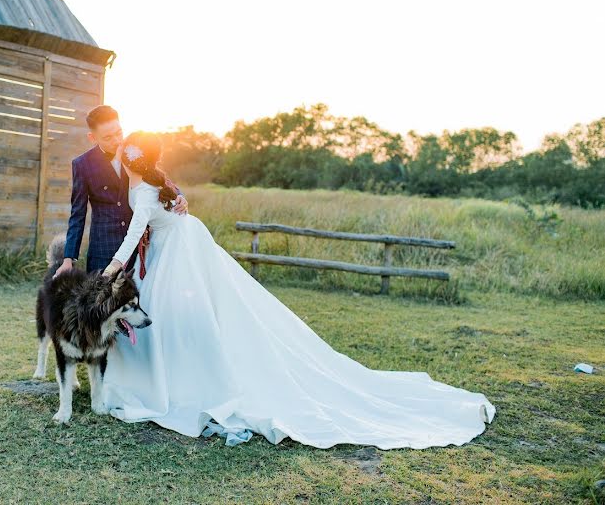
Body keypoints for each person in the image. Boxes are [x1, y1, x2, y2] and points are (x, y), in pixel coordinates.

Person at [98, 131, 497, 449]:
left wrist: (114, 268)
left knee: (180, 316)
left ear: (131, 160)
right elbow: (154, 218)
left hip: (179, 254)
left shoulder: (144, 191)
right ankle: (174, 372)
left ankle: (180, 381)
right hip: (185, 244)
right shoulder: (155, 183)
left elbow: (135, 233)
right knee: (184, 314)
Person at [54, 106, 189, 279]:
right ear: (92, 138)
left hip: (142, 247)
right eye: (108, 138)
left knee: (141, 301)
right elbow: (77, 215)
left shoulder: (135, 150)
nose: (117, 141)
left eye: (119, 133)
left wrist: (179, 196)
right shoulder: (82, 165)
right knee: (101, 302)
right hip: (103, 250)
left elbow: (157, 178)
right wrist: (68, 259)